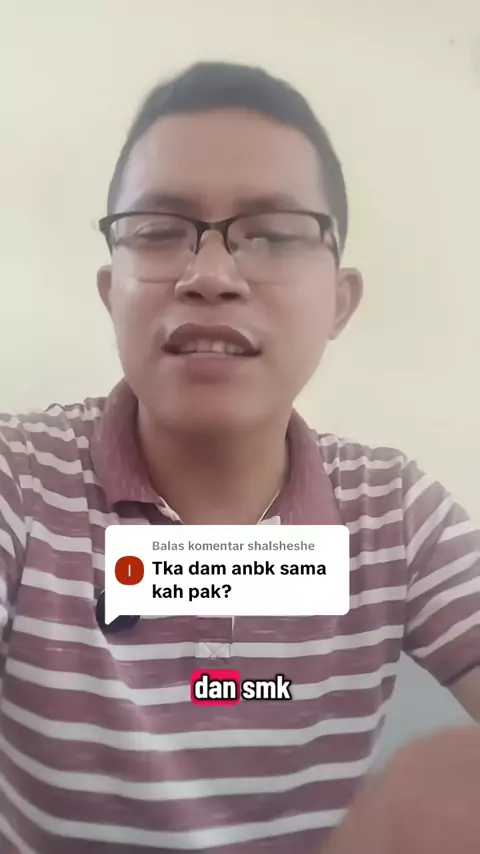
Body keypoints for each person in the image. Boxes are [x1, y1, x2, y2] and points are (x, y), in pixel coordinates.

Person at [0, 61, 478, 854]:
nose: (210, 276)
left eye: (273, 235)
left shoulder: (393, 513)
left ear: (340, 301)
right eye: (159, 230)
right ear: (111, 292)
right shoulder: (18, 481)